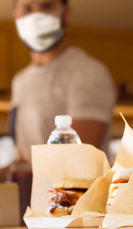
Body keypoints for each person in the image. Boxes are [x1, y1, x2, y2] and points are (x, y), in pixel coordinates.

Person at [11, 0, 117, 162]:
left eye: (46, 6)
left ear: (65, 13)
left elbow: (77, 159)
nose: (36, 16)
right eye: (28, 8)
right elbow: (24, 160)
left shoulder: (88, 72)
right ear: (17, 16)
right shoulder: (20, 81)